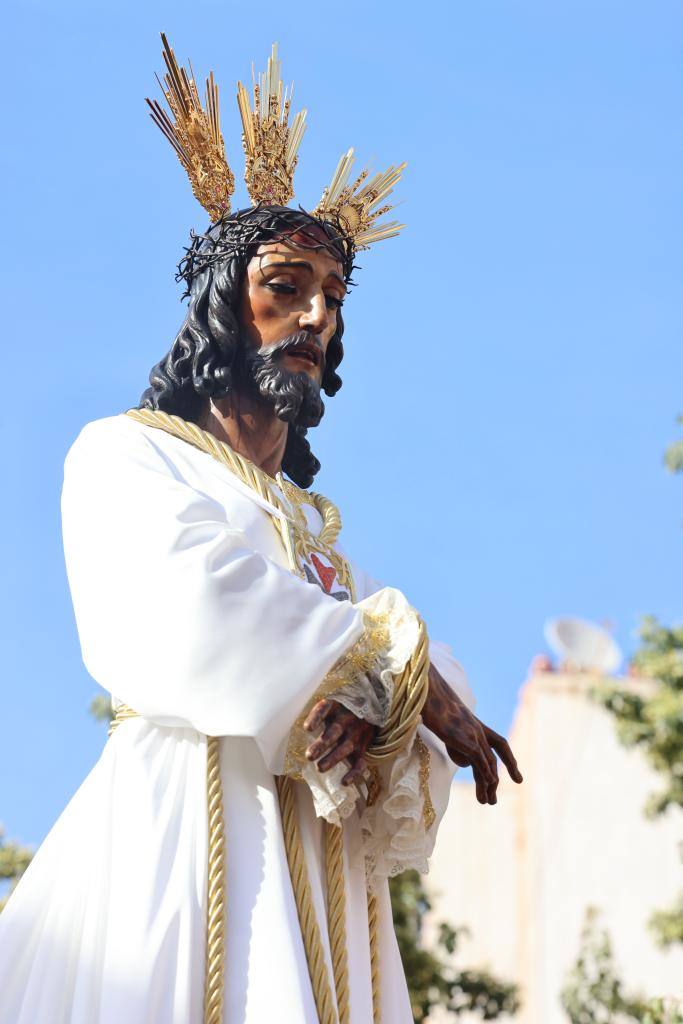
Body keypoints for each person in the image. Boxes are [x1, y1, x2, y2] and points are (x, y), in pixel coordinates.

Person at [0, 37, 522, 1024]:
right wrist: (392, 678)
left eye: (332, 297)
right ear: (223, 305)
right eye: (286, 286)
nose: (315, 315)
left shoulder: (314, 530)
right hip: (185, 835)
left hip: (318, 871)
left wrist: (382, 694)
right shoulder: (125, 453)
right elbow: (193, 602)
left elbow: (363, 651)